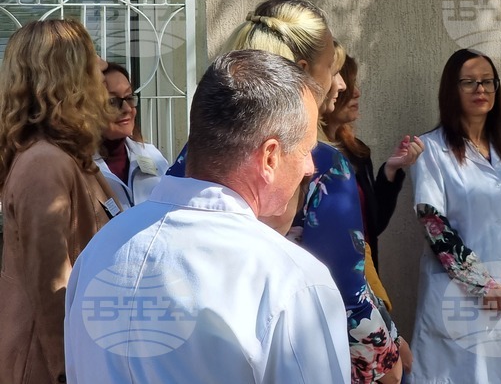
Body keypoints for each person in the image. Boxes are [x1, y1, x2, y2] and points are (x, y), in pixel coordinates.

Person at [65, 50, 351, 382]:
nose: (310, 167)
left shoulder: (99, 251)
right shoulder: (290, 281)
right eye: (305, 150)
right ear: (270, 157)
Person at [166, 0, 401, 383]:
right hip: (294, 352)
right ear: (303, 73)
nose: (340, 84)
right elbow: (346, 287)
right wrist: (385, 357)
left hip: (198, 342)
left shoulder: (197, 151)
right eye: (332, 69)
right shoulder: (321, 163)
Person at [410, 49, 501, 384]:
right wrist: (484, 286)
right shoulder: (431, 150)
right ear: (451, 90)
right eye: (468, 82)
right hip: (459, 299)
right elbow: (435, 227)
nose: (480, 89)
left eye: (487, 81)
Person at [0, 19, 118, 384]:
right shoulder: (44, 164)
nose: (102, 67)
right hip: (49, 366)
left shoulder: (67, 155)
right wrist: (70, 372)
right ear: (66, 77)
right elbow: (52, 287)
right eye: (90, 57)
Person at [323, 55, 424, 271]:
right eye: (346, 82)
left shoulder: (356, 151)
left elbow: (372, 226)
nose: (356, 92)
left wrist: (391, 170)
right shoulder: (310, 155)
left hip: (362, 278)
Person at [96, 62, 169, 208]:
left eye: (129, 97)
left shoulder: (152, 155)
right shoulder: (77, 167)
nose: (127, 109)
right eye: (112, 101)